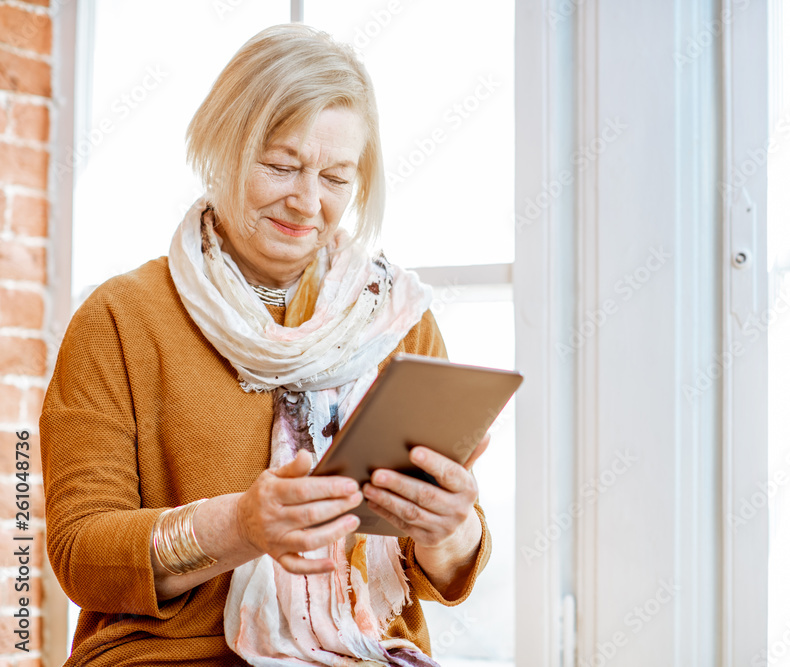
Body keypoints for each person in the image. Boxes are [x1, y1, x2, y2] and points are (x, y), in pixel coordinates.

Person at [40, 24, 491, 667]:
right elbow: (82, 556)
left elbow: (443, 573)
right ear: (220, 149)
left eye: (336, 177)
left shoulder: (394, 321)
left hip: (366, 653)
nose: (307, 202)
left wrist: (449, 527)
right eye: (281, 166)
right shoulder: (120, 318)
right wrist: (240, 527)